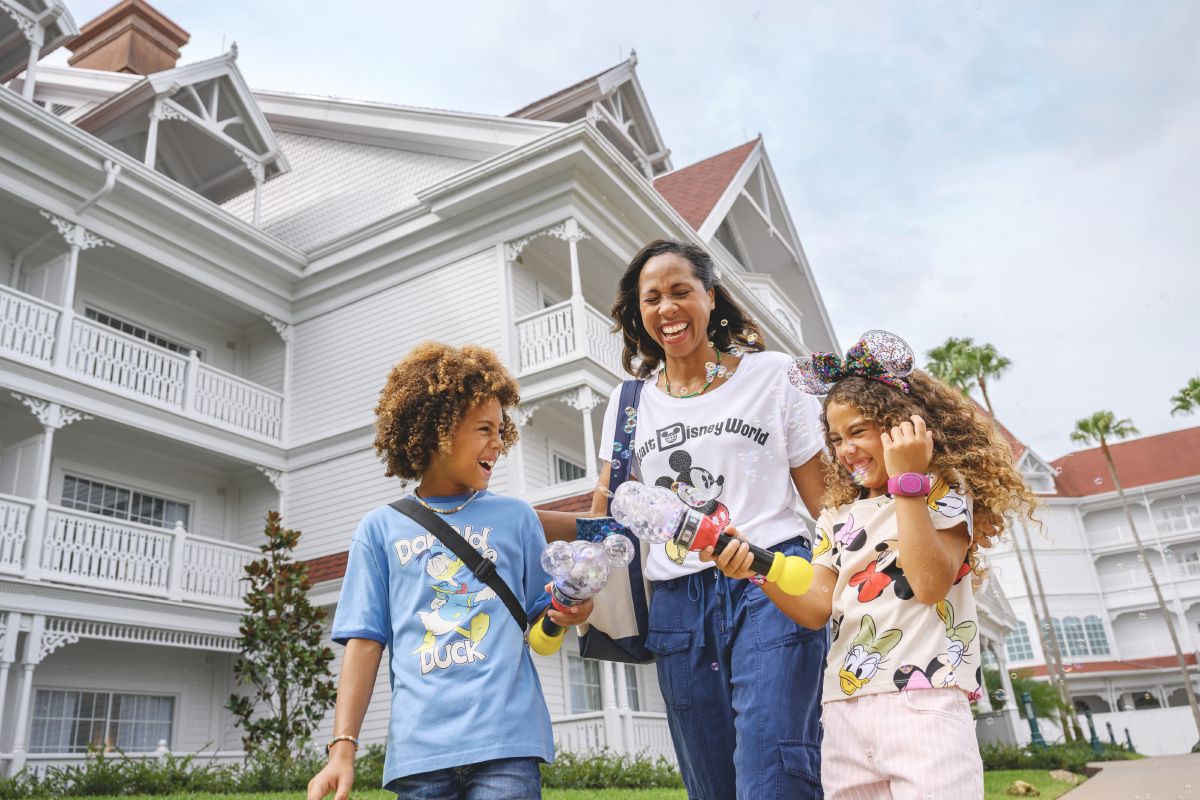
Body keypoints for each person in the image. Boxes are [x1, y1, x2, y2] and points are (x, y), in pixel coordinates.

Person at [707, 330, 1039, 800]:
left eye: (858, 431)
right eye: (836, 437)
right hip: (844, 709)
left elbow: (928, 584)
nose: (845, 450)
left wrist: (908, 482)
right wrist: (755, 570)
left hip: (926, 701)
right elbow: (817, 608)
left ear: (905, 427)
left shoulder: (942, 491)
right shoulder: (836, 516)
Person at [589, 239, 830, 799]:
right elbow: (607, 510)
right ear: (639, 313)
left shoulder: (773, 375)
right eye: (652, 298)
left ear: (710, 298)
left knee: (773, 771)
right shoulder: (627, 404)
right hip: (676, 606)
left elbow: (827, 505)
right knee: (711, 784)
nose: (667, 308)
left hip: (771, 579)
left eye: (681, 292)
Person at [307, 342, 592, 800]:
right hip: (420, 755)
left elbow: (540, 632)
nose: (498, 443)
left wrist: (564, 613)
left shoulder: (518, 519)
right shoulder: (379, 529)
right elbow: (364, 643)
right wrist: (342, 749)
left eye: (501, 430)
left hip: (507, 744)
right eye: (484, 429)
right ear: (436, 431)